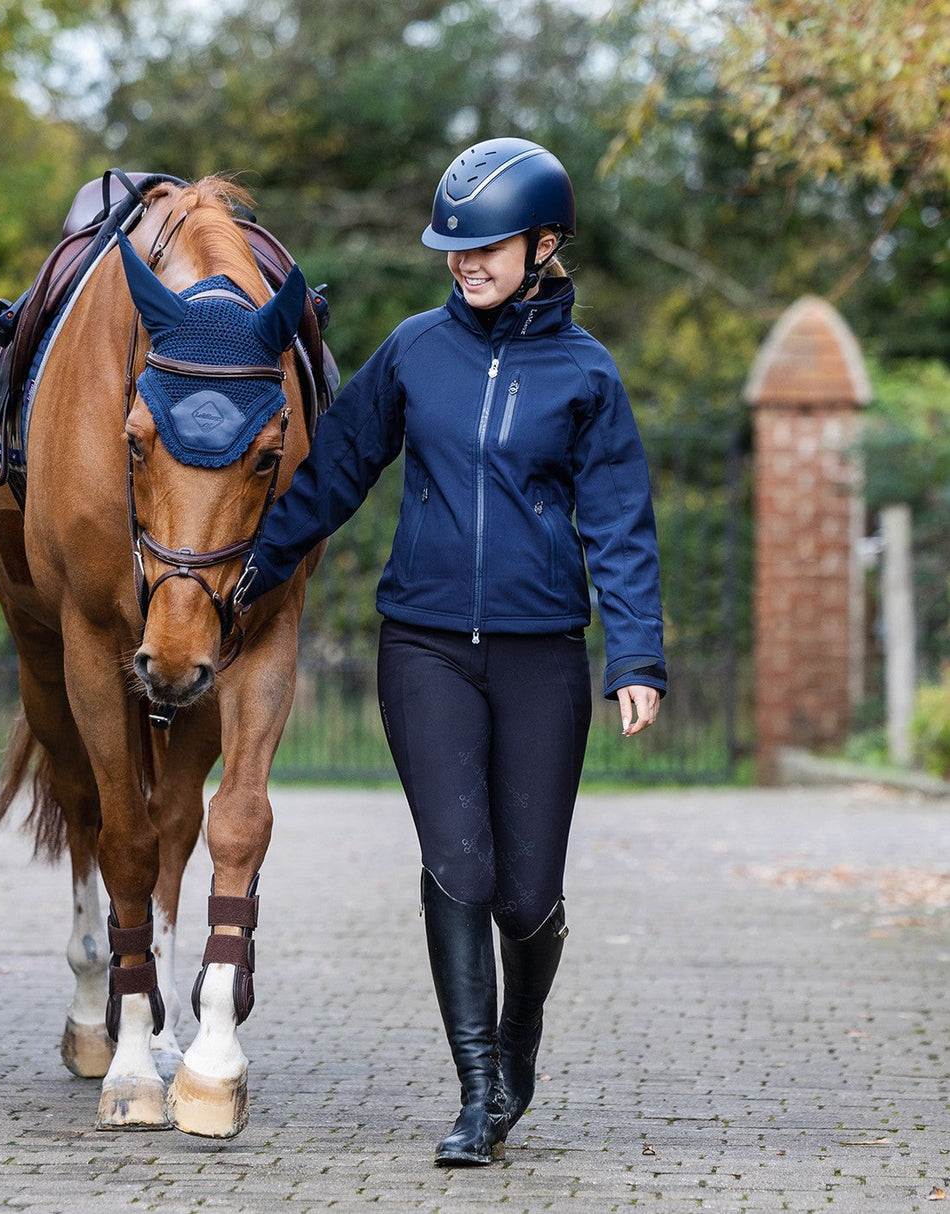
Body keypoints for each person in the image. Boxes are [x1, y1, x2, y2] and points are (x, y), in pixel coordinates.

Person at [244, 137, 666, 1165]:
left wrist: (636, 657)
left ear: (542, 242)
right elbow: (333, 470)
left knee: (526, 896)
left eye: (484, 246)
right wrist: (243, 575)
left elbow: (617, 518)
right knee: (459, 866)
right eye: (453, 247)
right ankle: (478, 1087)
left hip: (539, 657)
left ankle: (517, 1040)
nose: (464, 263)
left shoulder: (585, 373)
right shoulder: (411, 353)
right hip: (423, 646)